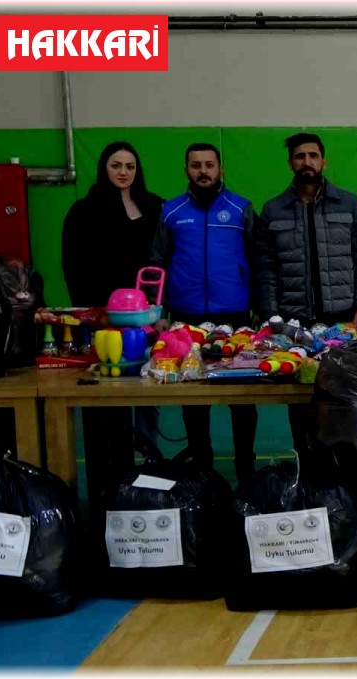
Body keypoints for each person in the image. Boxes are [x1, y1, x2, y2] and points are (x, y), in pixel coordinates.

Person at [255, 132, 357, 454]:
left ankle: (342, 470)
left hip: (342, 320)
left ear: (324, 161)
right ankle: (306, 467)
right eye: (300, 156)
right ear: (290, 163)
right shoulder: (273, 210)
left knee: (344, 400)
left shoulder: (349, 204)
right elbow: (265, 269)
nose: (307, 162)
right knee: (299, 404)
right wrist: (272, 317)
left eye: (313, 155)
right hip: (294, 324)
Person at [61, 141, 163, 512]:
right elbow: (72, 265)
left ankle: (148, 476)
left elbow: (163, 260)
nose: (123, 172)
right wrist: (96, 312)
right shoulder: (83, 210)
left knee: (148, 400)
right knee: (103, 406)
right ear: (104, 168)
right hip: (104, 323)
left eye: (130, 166)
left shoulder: (155, 206)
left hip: (146, 320)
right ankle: (105, 490)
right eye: (116, 165)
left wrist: (158, 309)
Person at [150, 142, 258, 484]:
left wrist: (260, 310)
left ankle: (246, 469)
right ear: (186, 170)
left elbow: (258, 261)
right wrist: (159, 311)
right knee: (193, 396)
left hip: (235, 317)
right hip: (187, 317)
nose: (203, 171)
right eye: (196, 165)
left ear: (220, 169)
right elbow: (157, 262)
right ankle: (202, 469)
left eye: (209, 164)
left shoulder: (241, 209)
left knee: (243, 398)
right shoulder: (171, 210)